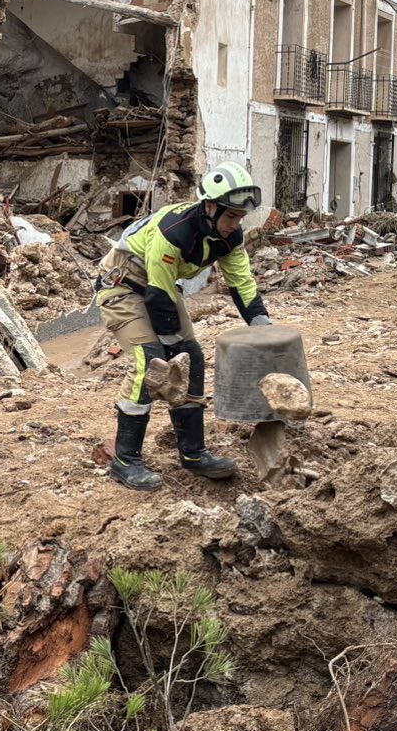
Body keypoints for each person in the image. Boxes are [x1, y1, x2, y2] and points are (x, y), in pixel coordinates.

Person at [95, 165, 272, 491]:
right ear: (210, 207)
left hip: (158, 286)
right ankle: (125, 460)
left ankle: (193, 453)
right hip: (123, 285)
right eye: (231, 216)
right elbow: (158, 296)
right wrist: (170, 347)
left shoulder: (229, 237)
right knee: (150, 360)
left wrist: (262, 324)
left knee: (191, 356)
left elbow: (241, 282)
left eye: (240, 217)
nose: (236, 224)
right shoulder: (173, 232)